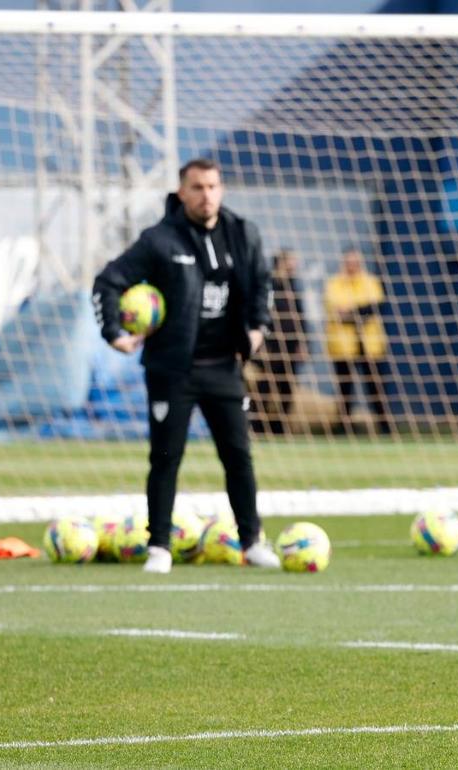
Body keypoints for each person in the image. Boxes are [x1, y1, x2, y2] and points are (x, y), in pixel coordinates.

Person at [92, 158, 281, 574]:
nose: (206, 195)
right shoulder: (160, 240)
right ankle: (159, 545)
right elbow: (108, 280)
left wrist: (257, 327)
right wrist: (113, 333)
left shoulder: (242, 233)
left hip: (224, 366)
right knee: (165, 456)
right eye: (197, 187)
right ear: (182, 193)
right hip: (172, 369)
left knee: (238, 456)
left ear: (222, 188)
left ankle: (251, 542)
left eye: (212, 186)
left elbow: (263, 282)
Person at [324, 248, 390, 434]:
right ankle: (343, 427)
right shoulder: (334, 283)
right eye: (349, 261)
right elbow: (336, 310)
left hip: (370, 345)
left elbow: (372, 308)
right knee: (345, 389)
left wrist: (351, 311)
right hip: (343, 346)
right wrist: (358, 310)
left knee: (375, 387)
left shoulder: (370, 282)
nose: (352, 265)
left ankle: (384, 426)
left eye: (356, 261)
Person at [250, 249, 308, 435]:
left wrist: (302, 342)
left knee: (287, 388)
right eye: (292, 260)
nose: (295, 264)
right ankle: (257, 426)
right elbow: (261, 314)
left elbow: (300, 317)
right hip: (271, 345)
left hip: (290, 346)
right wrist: (262, 342)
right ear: (282, 261)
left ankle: (279, 428)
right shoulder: (268, 284)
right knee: (265, 387)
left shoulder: (293, 285)